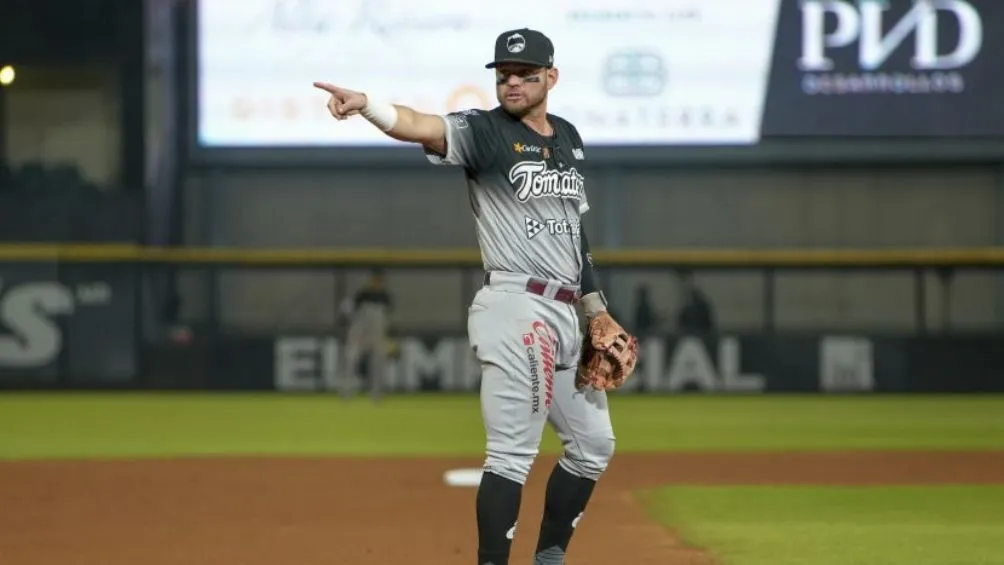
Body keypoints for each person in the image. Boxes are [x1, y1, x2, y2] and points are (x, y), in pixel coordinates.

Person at [314, 27, 635, 565]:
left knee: (593, 446)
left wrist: (596, 309)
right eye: (503, 74)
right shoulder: (484, 132)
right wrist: (367, 105)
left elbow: (574, 234)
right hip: (515, 306)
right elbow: (421, 125)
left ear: (550, 78)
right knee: (513, 455)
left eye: (524, 75)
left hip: (564, 311)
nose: (511, 83)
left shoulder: (569, 137)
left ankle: (548, 558)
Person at [340, 269, 393, 402]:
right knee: (351, 358)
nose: (375, 283)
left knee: (378, 361)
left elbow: (388, 318)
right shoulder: (363, 293)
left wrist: (389, 336)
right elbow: (349, 309)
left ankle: (377, 392)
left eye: (378, 281)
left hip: (377, 333)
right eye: (374, 281)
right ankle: (347, 390)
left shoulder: (385, 296)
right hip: (361, 331)